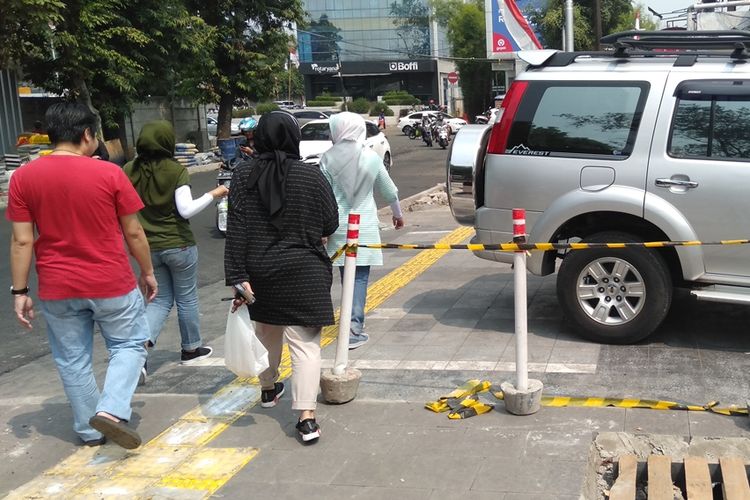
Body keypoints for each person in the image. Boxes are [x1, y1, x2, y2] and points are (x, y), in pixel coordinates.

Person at [7, 102, 157, 449]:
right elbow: (134, 233)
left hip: (58, 287)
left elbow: (22, 239)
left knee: (72, 359)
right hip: (111, 282)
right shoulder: (109, 174)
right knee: (130, 344)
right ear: (87, 134)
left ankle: (90, 432)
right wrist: (147, 272)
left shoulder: (24, 178)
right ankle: (110, 411)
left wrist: (20, 291)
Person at [225, 111, 338, 443]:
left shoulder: (243, 176)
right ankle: (306, 418)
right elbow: (330, 222)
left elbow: (236, 230)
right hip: (305, 272)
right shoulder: (311, 176)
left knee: (266, 332)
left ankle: (268, 388)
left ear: (259, 138)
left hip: (262, 272)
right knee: (304, 344)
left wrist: (237, 275)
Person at [124, 121, 226, 379]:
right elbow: (186, 210)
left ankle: (138, 354)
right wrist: (215, 193)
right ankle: (191, 348)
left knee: (158, 300)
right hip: (179, 244)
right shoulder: (175, 170)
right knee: (187, 298)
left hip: (147, 246)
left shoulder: (128, 170)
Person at [320, 112, 404, 350]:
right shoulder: (370, 157)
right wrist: (398, 215)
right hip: (363, 226)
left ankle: (343, 322)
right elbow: (389, 191)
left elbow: (323, 195)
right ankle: (354, 330)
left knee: (345, 276)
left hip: (337, 226)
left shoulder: (327, 159)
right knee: (359, 278)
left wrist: (322, 227)